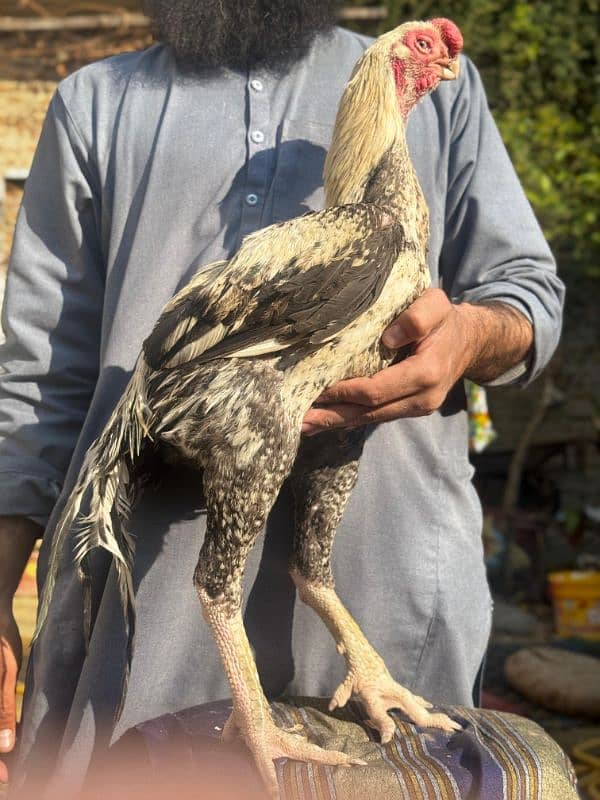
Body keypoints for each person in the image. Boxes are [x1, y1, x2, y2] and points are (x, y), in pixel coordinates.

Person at [0, 0, 563, 795]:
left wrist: (467, 336)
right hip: (149, 616)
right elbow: (35, 380)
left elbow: (531, 295)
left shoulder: (444, 98)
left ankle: (361, 659)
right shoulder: (97, 102)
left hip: (395, 588)